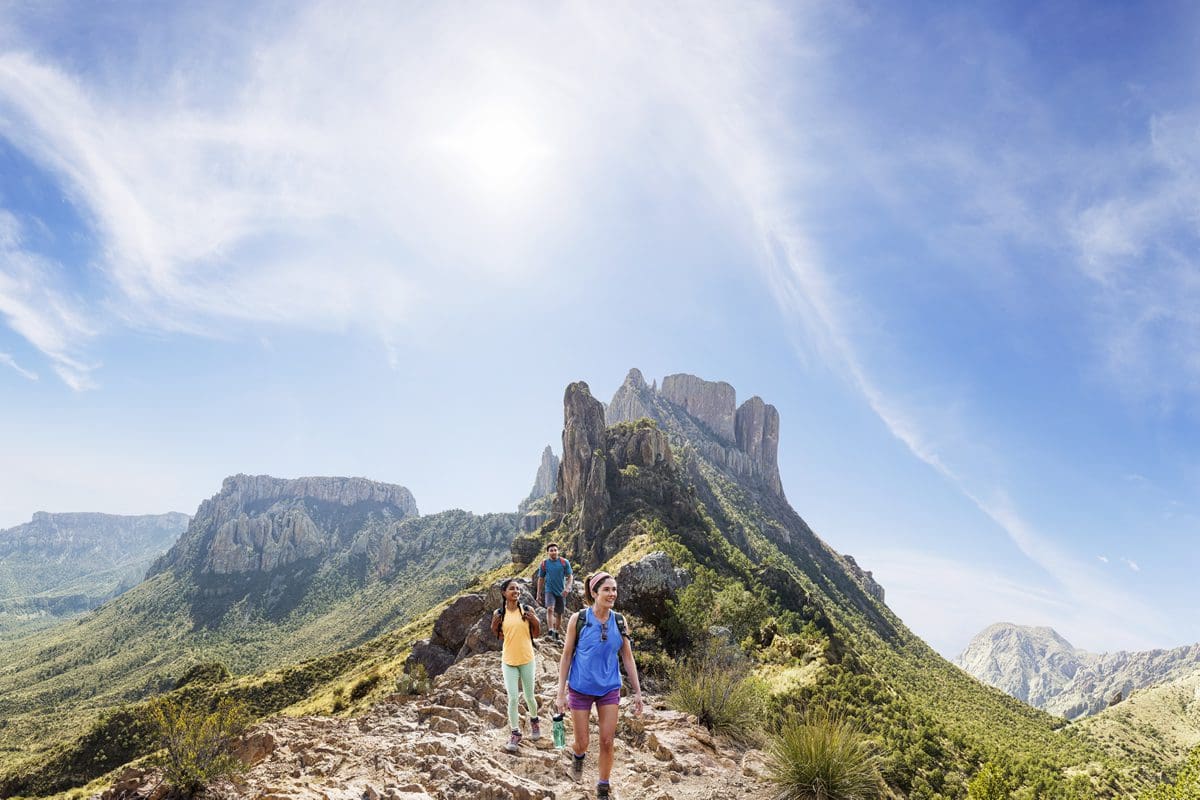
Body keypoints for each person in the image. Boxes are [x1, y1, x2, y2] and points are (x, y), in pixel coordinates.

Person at [556, 571, 643, 799]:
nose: (612, 594)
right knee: (582, 742)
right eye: (606, 589)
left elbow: (627, 657)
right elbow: (566, 655)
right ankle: (578, 756)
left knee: (607, 740)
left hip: (609, 688)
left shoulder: (620, 621)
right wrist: (560, 693)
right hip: (580, 688)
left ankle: (603, 787)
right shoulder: (579, 619)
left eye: (614, 589)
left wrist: (637, 692)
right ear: (594, 593)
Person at [490, 578, 542, 752]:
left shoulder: (527, 610)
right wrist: (494, 624)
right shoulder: (499, 613)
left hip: (527, 659)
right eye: (512, 589)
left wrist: (535, 620)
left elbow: (536, 633)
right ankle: (515, 732)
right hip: (509, 662)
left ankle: (534, 721)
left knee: (529, 697)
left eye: (518, 589)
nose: (516, 591)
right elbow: (498, 633)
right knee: (512, 698)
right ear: (504, 593)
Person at [536, 542, 573, 641]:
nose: (553, 552)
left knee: (559, 613)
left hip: (561, 591)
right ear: (548, 552)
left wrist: (567, 588)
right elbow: (541, 579)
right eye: (551, 550)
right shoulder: (544, 564)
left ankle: (556, 632)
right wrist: (538, 594)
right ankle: (550, 630)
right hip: (549, 590)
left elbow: (570, 576)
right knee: (550, 609)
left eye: (555, 550)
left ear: (558, 551)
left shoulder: (564, 562)